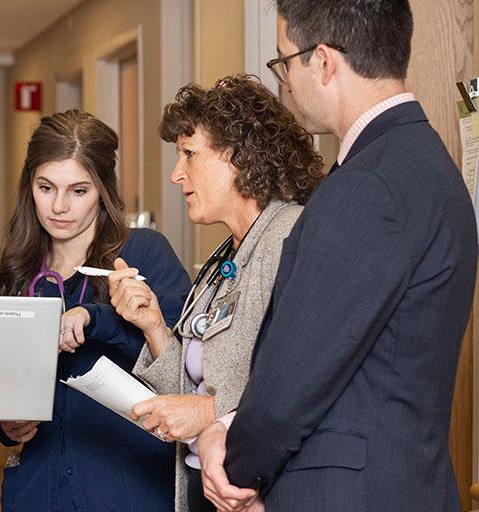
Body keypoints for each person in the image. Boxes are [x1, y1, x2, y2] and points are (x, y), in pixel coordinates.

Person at [197, 2, 479, 511]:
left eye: (284, 61)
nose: (284, 80)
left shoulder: (365, 186)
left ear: (323, 61)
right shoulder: (431, 169)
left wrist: (232, 462)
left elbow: (292, 382)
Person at [107, 75, 323, 512]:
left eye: (189, 154)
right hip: (206, 483)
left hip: (255, 491)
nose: (175, 174)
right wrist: (152, 325)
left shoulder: (290, 237)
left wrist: (210, 413)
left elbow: (303, 382)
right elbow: (193, 392)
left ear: (241, 157)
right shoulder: (228, 252)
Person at [0, 109, 191, 512]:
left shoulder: (143, 253)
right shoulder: (18, 272)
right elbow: (3, 382)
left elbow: (186, 368)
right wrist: (7, 426)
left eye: (78, 191)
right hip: (38, 489)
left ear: (103, 189)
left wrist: (97, 319)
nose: (59, 206)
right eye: (46, 187)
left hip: (127, 489)